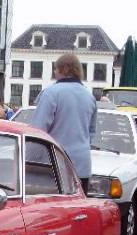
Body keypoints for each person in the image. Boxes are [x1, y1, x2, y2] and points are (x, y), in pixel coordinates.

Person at [31, 53, 97, 193]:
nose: (54, 72)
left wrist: (30, 160)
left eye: (56, 69)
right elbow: (91, 132)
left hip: (53, 166)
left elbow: (38, 130)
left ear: (63, 69)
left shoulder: (51, 93)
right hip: (82, 165)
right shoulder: (89, 96)